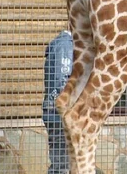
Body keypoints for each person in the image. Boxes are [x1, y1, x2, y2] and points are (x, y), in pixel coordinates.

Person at [43, 29, 73, 174]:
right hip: (59, 113)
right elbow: (61, 82)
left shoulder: (66, 44)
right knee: (61, 165)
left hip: (57, 111)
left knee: (63, 163)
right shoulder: (65, 46)